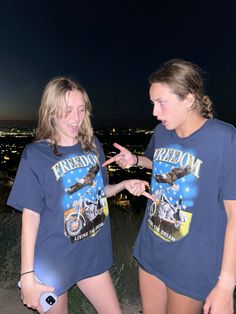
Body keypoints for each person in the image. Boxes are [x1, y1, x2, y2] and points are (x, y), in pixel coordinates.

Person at [7, 76, 152, 314]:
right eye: (67, 111)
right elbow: (30, 219)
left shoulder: (93, 145)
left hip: (90, 256)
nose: (76, 118)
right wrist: (28, 275)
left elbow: (98, 193)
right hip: (53, 260)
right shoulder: (35, 155)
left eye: (81, 109)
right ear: (51, 112)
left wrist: (123, 184)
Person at [102, 59, 236, 314]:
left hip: (192, 262)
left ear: (188, 99)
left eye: (161, 102)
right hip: (152, 247)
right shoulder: (162, 132)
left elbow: (235, 215)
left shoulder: (224, 139)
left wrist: (227, 285)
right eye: (153, 103)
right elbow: (159, 162)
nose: (154, 112)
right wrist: (135, 160)